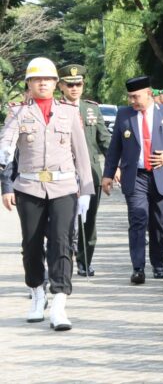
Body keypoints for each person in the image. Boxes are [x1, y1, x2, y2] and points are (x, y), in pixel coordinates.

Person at [0, 57, 94, 331]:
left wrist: (86, 190)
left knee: (61, 243)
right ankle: (37, 292)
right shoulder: (18, 112)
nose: (43, 83)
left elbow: (81, 154)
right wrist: (4, 155)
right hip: (29, 187)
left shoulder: (68, 112)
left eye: (48, 79)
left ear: (56, 83)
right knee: (31, 245)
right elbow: (7, 141)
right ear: (29, 84)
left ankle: (60, 302)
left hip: (64, 187)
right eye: (37, 79)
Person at [101, 76, 163, 284]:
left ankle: (158, 263)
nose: (133, 101)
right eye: (130, 97)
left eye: (136, 96)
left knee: (160, 222)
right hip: (136, 176)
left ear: (149, 93)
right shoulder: (124, 115)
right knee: (137, 220)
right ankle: (138, 268)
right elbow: (115, 146)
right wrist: (108, 174)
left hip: (161, 174)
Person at [57, 64, 112, 277]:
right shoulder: (55, 108)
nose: (74, 88)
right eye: (69, 85)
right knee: (64, 220)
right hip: (63, 174)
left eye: (78, 84)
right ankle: (63, 259)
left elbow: (104, 140)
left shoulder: (91, 109)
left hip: (90, 174)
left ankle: (85, 260)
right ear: (61, 86)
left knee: (88, 221)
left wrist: (114, 167)